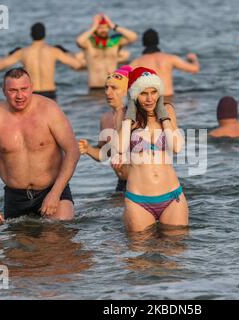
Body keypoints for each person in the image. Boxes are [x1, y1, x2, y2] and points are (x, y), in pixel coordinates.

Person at [0, 68, 80, 225]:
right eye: (13, 90)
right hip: (15, 197)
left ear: (32, 87)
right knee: (13, 246)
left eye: (24, 89)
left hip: (51, 188)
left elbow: (73, 151)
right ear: (3, 91)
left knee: (57, 233)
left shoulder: (49, 110)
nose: (20, 96)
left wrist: (55, 193)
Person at [113, 67, 188, 232]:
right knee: (138, 253)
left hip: (172, 196)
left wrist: (163, 115)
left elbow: (176, 147)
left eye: (154, 92)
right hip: (137, 200)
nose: (149, 99)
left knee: (175, 252)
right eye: (143, 93)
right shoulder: (122, 114)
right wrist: (130, 116)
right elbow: (119, 148)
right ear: (134, 95)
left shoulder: (168, 110)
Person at [78, 65, 133, 192]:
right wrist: (88, 149)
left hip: (141, 183)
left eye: (114, 88)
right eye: (106, 87)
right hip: (121, 183)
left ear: (126, 91)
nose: (107, 92)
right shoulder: (105, 119)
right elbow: (104, 154)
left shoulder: (135, 117)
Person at [0, 23, 84, 100]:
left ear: (31, 34)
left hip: (32, 93)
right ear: (45, 34)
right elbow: (77, 65)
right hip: (50, 93)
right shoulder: (53, 51)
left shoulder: (23, 52)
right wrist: (66, 51)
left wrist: (10, 53)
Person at [130, 29, 200, 99]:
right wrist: (194, 59)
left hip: (149, 101)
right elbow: (195, 69)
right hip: (168, 99)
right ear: (157, 41)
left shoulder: (136, 62)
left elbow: (122, 79)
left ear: (143, 43)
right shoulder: (169, 58)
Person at [76, 14, 137, 89]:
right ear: (95, 29)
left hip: (113, 87)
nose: (103, 30)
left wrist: (113, 26)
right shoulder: (89, 44)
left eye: (106, 27)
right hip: (95, 89)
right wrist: (93, 27)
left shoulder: (115, 42)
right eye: (100, 28)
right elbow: (79, 41)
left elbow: (133, 37)